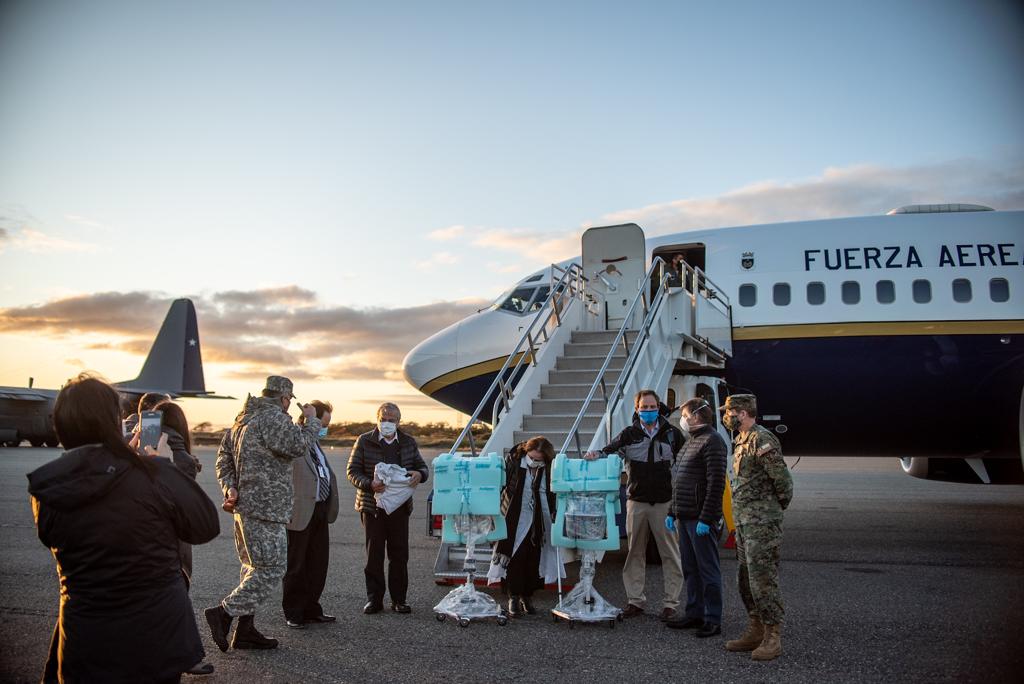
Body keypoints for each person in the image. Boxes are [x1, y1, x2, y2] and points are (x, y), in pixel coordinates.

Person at [27, 374, 220, 683]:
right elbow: (205, 526)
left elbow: (50, 534)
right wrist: (160, 465)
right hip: (156, 633)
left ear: (59, 424)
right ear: (113, 420)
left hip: (85, 633)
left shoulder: (47, 484)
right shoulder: (152, 473)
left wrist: (125, 460)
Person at [207, 376, 320, 652]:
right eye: (288, 402)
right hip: (267, 508)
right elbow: (297, 446)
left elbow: (223, 458)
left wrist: (230, 487)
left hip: (244, 507)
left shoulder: (242, 419)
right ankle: (223, 612)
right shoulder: (273, 418)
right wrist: (311, 420)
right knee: (272, 569)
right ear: (284, 398)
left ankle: (245, 632)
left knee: (252, 569)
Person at [585, 389, 684, 620]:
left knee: (670, 554)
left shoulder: (672, 434)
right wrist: (594, 455)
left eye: (652, 407)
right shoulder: (629, 434)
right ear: (637, 408)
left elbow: (685, 462)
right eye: (644, 407)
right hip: (637, 502)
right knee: (634, 553)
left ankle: (671, 603)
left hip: (664, 503)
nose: (648, 411)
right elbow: (607, 451)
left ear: (659, 407)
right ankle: (635, 601)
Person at [720, 394, 793, 661]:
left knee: (763, 581)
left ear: (741, 413)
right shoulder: (741, 439)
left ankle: (772, 636)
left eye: (729, 412)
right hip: (744, 523)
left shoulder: (762, 439)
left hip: (761, 525)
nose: (726, 417)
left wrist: (769, 513)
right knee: (745, 579)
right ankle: (756, 628)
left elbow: (783, 483)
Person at [347, 401, 428, 615]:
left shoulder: (408, 442)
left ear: (399, 421)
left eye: (391, 420)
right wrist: (368, 483)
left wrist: (420, 474)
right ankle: (374, 600)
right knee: (374, 555)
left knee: (399, 554)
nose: (387, 423)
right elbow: (352, 471)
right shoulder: (364, 441)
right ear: (377, 419)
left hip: (399, 508)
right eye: (383, 419)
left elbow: (422, 468)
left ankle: (399, 600)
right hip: (372, 507)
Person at [152, 399, 215, 676]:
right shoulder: (181, 455)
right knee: (177, 593)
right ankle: (185, 657)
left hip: (144, 531)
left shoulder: (142, 445)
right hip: (173, 536)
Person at [666, 398, 728, 638]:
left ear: (694, 416)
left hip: (700, 519)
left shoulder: (712, 441)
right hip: (685, 515)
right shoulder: (692, 440)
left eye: (683, 414)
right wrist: (673, 511)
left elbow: (716, 484)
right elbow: (679, 480)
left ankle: (713, 618)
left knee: (707, 570)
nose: (682, 419)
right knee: (690, 568)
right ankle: (694, 612)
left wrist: (707, 517)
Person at [487, 436, 563, 617]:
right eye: (532, 458)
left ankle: (527, 596)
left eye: (539, 460)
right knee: (514, 556)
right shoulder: (514, 460)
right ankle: (513, 597)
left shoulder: (549, 467)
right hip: (514, 515)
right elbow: (503, 485)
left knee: (533, 557)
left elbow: (551, 492)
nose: (534, 462)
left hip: (537, 517)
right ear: (526, 452)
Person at [282, 399, 340, 629]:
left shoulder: (316, 445)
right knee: (297, 565)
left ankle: (311, 608)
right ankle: (294, 612)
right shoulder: (296, 441)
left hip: (319, 510)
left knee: (317, 563)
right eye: (322, 423)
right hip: (300, 511)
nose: (324, 428)